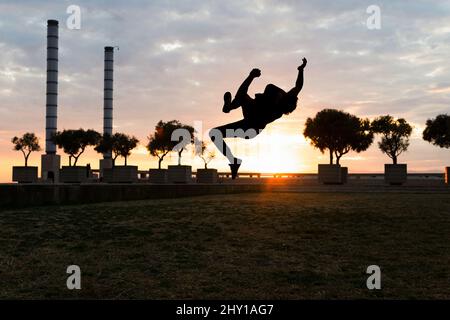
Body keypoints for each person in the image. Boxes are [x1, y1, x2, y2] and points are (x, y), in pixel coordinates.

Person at [209, 58, 307, 179]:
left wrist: (251, 76)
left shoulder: (275, 110)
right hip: (251, 116)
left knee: (216, 131)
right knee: (215, 132)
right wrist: (301, 70)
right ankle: (234, 161)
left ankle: (230, 106)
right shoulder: (287, 97)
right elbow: (298, 86)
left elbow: (243, 92)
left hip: (250, 127)